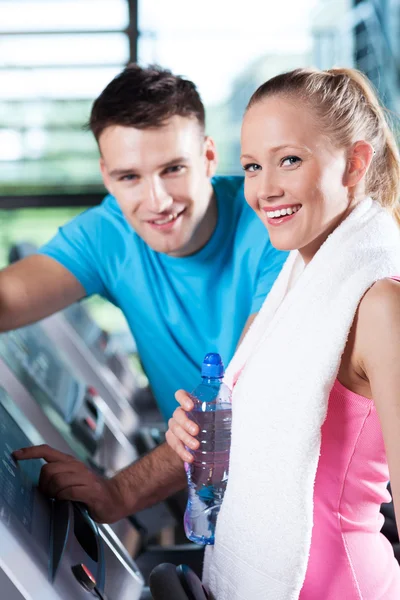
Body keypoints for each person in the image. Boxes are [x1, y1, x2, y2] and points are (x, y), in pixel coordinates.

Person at [10, 64, 287, 522]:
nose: (156, 201)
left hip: (304, 497)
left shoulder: (273, 228)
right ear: (105, 175)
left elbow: (238, 405)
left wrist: (121, 493)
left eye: (173, 169)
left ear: (209, 156)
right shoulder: (110, 234)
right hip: (218, 502)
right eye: (129, 177)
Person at [166, 67, 400, 599]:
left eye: (289, 160)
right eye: (252, 166)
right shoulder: (288, 291)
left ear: (355, 164)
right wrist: (194, 435)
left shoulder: (383, 304)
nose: (265, 189)